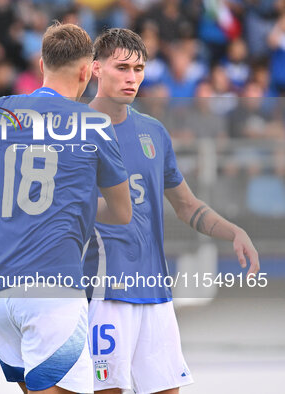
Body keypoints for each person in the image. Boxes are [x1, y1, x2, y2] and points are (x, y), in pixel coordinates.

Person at [0, 23, 132, 394]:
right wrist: (74, 204)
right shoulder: (94, 124)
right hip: (53, 291)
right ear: (86, 72)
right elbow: (122, 211)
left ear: (40, 65)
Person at [83, 28, 260, 394]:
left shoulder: (154, 132)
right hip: (104, 291)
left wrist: (234, 232)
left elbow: (187, 205)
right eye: (122, 68)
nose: (132, 78)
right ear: (96, 68)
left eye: (139, 69)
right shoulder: (74, 131)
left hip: (155, 291)